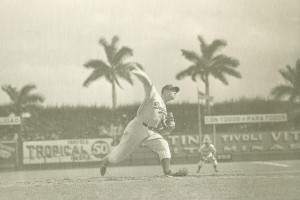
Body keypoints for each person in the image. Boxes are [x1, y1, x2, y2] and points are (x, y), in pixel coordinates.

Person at [100, 64, 186, 177]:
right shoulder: (154, 95)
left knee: (163, 145)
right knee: (118, 157)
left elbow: (162, 130)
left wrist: (169, 128)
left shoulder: (164, 109)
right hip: (137, 127)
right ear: (164, 91)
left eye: (176, 91)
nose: (175, 92)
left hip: (149, 132)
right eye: (172, 90)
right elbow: (147, 83)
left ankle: (167, 172)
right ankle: (106, 161)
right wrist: (135, 71)